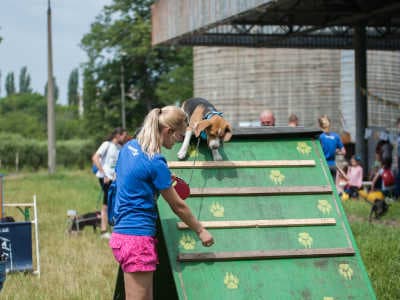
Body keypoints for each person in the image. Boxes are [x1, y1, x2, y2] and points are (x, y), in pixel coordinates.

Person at [109, 106, 214, 299]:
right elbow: (178, 205)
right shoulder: (156, 162)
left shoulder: (128, 148)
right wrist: (200, 230)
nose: (177, 142)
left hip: (122, 234)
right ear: (168, 131)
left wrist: (160, 180)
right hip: (137, 238)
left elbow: (132, 178)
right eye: (179, 137)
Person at [92, 127, 127, 239]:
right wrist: (104, 174)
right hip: (106, 178)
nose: (125, 138)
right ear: (117, 135)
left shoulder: (120, 147)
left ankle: (116, 229)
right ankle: (103, 231)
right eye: (123, 135)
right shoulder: (106, 144)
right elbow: (95, 158)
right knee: (106, 204)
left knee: (117, 203)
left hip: (115, 179)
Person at [318, 115, 346, 179]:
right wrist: (335, 151)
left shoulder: (319, 137)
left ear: (320, 125)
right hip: (333, 165)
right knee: (333, 186)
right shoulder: (336, 136)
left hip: (323, 165)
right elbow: (344, 152)